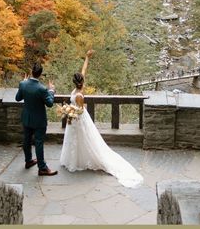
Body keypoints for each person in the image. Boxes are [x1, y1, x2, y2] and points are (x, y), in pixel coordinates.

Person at [60, 50, 143, 188]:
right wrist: (87, 57)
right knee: (75, 140)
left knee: (81, 139)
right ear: (81, 81)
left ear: (75, 83)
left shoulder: (79, 95)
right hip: (74, 118)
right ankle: (75, 160)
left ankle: (77, 161)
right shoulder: (79, 86)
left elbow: (80, 110)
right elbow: (84, 69)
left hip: (78, 119)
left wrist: (69, 111)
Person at [15, 62, 58, 176]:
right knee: (38, 143)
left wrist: (23, 83)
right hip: (39, 120)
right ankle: (42, 168)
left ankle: (28, 161)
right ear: (40, 74)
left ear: (31, 72)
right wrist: (51, 91)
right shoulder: (42, 89)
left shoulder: (23, 84)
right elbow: (49, 103)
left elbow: (18, 98)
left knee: (27, 140)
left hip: (27, 118)